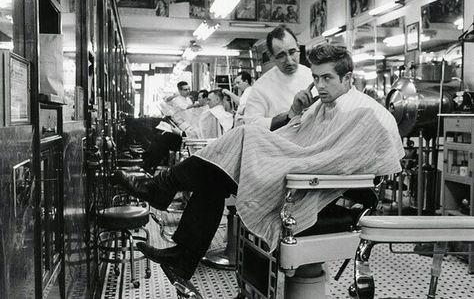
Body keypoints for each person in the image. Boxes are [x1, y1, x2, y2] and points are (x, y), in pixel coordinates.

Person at [114, 44, 404, 282]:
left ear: (348, 79)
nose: (319, 85)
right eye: (315, 78)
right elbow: (298, 139)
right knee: (216, 177)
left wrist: (284, 156)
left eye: (327, 78)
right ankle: (183, 255)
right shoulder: (321, 106)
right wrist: (296, 112)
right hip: (293, 171)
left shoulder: (366, 113)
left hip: (313, 189)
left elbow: (345, 161)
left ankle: (159, 191)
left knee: (244, 136)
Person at [244, 25, 313, 130]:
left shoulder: (312, 75)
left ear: (298, 47)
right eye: (281, 55)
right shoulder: (261, 87)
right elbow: (251, 124)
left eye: (292, 52)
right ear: (271, 56)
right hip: (279, 142)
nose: (289, 61)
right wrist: (289, 115)